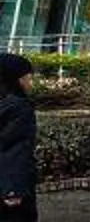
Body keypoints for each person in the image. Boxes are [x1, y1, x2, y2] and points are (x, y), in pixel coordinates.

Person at [0, 50, 38, 219]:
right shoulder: (19, 108)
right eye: (28, 78)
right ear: (16, 80)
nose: (31, 83)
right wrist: (13, 189)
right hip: (11, 190)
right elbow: (15, 148)